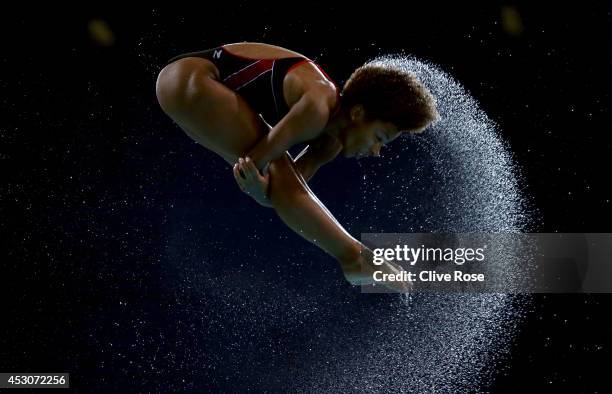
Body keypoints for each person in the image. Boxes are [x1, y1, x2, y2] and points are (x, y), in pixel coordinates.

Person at [156, 42, 439, 292]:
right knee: (281, 169)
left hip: (191, 90)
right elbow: (262, 169)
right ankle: (355, 257)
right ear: (358, 113)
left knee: (284, 175)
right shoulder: (318, 106)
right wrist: (260, 187)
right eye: (379, 138)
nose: (376, 152)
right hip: (189, 78)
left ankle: (353, 257)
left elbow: (281, 196)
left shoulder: (329, 144)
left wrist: (259, 191)